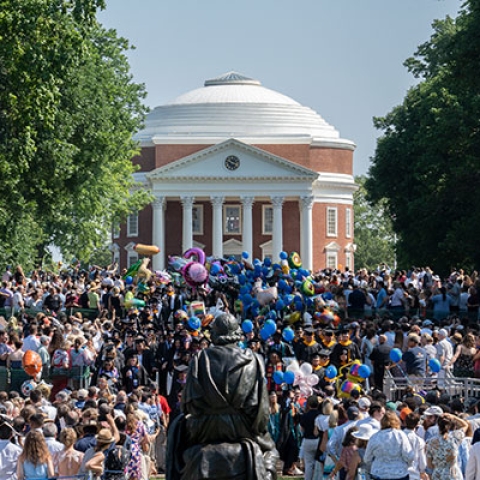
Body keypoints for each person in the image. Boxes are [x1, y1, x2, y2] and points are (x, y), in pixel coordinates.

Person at [166, 312, 278, 480]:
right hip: (243, 427)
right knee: (270, 450)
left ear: (214, 334)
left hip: (204, 428)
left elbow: (188, 405)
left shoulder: (199, 358)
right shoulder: (254, 360)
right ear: (237, 334)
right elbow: (261, 411)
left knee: (178, 435)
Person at [364, 410, 414, 480]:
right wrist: (407, 465)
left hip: (379, 473)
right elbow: (409, 455)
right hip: (399, 473)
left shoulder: (374, 437)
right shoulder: (401, 435)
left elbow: (367, 458)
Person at [426, 413, 469, 480]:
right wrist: (453, 417)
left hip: (438, 475)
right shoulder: (455, 437)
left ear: (438, 425)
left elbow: (429, 465)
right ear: (450, 425)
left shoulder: (431, 442)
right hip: (453, 474)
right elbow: (465, 425)